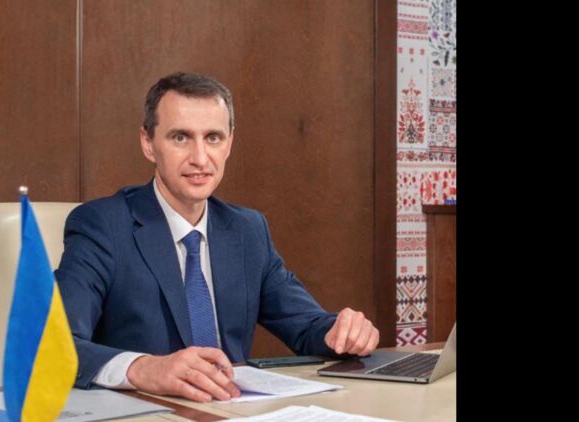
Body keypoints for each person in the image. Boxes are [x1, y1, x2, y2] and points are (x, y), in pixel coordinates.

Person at [55, 72, 380, 403]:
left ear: (229, 144)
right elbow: (54, 344)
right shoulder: (103, 226)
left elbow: (307, 326)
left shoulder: (247, 230)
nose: (200, 158)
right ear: (148, 143)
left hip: (231, 409)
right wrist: (143, 368)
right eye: (180, 137)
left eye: (213, 138)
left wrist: (344, 332)